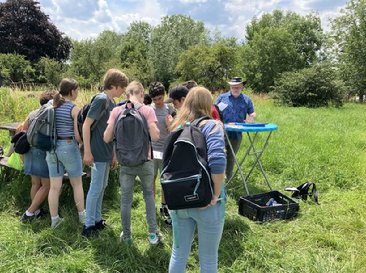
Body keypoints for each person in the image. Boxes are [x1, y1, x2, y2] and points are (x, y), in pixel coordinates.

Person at [168, 86, 226, 273]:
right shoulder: (212, 125)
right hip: (206, 200)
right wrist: (215, 194)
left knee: (178, 254)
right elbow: (217, 163)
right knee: (208, 259)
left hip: (179, 199)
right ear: (208, 104)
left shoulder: (178, 127)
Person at [104, 81, 161, 245]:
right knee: (149, 196)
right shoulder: (147, 110)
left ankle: (127, 236)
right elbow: (156, 136)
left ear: (127, 94)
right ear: (141, 93)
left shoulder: (116, 111)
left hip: (126, 163)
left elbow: (107, 138)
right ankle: (152, 234)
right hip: (145, 161)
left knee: (126, 200)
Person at [82, 69, 129, 237]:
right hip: (96, 152)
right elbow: (86, 125)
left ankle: (97, 219)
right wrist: (87, 151)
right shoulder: (101, 99)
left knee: (102, 186)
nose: (124, 90)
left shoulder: (112, 103)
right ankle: (88, 226)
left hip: (106, 153)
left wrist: (114, 155)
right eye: (122, 87)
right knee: (95, 188)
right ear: (114, 86)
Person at [46, 78, 85, 228]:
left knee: (54, 187)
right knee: (77, 184)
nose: (78, 93)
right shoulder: (73, 109)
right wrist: (82, 143)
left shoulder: (51, 105)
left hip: (51, 149)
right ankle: (82, 216)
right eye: (77, 90)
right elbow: (77, 136)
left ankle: (54, 220)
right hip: (68, 146)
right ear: (72, 91)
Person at [20, 90, 56, 222]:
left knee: (35, 183)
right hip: (42, 152)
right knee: (46, 185)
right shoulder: (50, 113)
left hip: (30, 150)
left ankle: (36, 211)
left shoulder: (32, 113)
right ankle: (29, 213)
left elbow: (23, 131)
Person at [215, 77, 256, 180]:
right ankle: (217, 178)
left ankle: (228, 179)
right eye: (233, 86)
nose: (235, 88)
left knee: (231, 157)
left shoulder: (247, 99)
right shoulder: (222, 98)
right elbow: (214, 112)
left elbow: (252, 113)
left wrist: (252, 117)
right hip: (222, 132)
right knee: (219, 155)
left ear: (242, 87)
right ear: (230, 87)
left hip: (237, 133)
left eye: (237, 86)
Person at [148, 81, 175, 225]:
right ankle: (151, 205)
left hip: (165, 150)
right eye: (155, 99)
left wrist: (170, 124)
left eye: (160, 98)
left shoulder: (169, 109)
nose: (158, 102)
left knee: (165, 179)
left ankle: (164, 206)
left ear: (164, 95)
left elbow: (173, 131)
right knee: (151, 178)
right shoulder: (148, 109)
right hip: (152, 150)